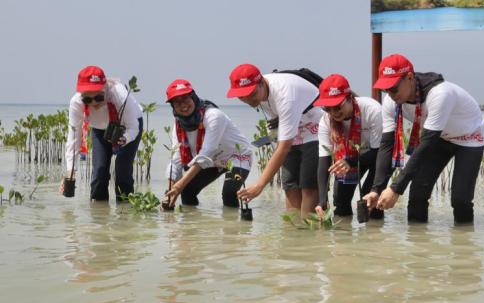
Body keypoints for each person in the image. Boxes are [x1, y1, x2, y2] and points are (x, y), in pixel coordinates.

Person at [363, 54, 484, 224]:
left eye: (394, 88)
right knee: (417, 193)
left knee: (460, 199)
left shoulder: (440, 94)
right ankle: (418, 247)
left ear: (410, 77)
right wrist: (377, 189)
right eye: (386, 89)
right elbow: (387, 145)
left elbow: (427, 144)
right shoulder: (391, 102)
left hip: (470, 136)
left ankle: (464, 246)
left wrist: (396, 188)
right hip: (441, 137)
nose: (390, 94)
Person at [227, 63, 322, 216]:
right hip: (294, 129)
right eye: (241, 95)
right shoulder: (260, 93)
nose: (247, 99)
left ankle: (308, 232)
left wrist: (259, 185)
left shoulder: (285, 96)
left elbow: (284, 147)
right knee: (290, 186)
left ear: (261, 82)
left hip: (316, 129)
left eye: (251, 94)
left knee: (309, 187)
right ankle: (292, 235)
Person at [162, 79, 253, 208]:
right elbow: (176, 159)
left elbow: (206, 153)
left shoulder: (213, 116)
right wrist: (171, 191)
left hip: (237, 156)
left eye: (185, 99)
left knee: (229, 193)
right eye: (177, 102)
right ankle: (192, 226)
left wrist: (179, 185)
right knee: (187, 191)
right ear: (172, 106)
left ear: (193, 97)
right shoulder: (178, 125)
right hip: (213, 161)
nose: (183, 105)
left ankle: (232, 227)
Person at [64, 65, 143, 201]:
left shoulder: (120, 95)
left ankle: (125, 215)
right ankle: (99, 217)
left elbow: (133, 127)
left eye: (99, 97)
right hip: (100, 130)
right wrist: (70, 172)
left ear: (105, 87)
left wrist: (124, 139)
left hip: (127, 128)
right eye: (88, 100)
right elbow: (74, 140)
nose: (94, 103)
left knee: (122, 170)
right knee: (99, 174)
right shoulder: (76, 102)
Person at [313, 73, 383, 219]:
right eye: (328, 108)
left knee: (369, 200)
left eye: (337, 107)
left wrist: (350, 161)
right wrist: (322, 200)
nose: (333, 113)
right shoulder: (325, 121)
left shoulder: (372, 110)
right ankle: (344, 240)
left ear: (350, 98)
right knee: (340, 202)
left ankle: (375, 238)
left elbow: (380, 153)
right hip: (350, 159)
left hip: (379, 156)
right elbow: (324, 161)